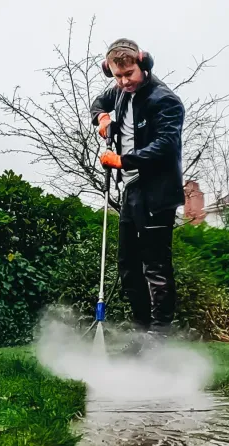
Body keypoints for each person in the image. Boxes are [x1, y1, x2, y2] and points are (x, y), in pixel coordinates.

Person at [91, 38, 185, 349]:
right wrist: (102, 117)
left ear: (143, 64)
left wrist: (123, 160)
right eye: (117, 76)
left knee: (155, 267)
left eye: (129, 73)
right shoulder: (118, 91)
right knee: (128, 267)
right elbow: (99, 102)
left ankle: (160, 336)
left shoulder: (166, 101)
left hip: (157, 193)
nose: (124, 81)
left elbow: (165, 146)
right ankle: (142, 331)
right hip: (130, 190)